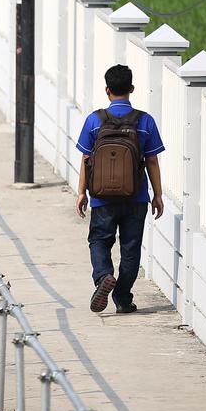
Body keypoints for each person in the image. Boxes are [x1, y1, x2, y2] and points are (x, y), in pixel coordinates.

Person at [75, 64, 165, 315]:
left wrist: (82, 192)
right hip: (136, 197)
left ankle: (104, 275)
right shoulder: (144, 121)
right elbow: (152, 161)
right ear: (132, 89)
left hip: (102, 198)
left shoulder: (95, 120)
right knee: (131, 247)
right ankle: (123, 299)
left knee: (99, 240)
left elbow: (85, 159)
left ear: (107, 90)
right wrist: (157, 195)